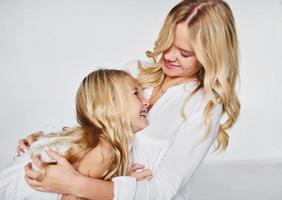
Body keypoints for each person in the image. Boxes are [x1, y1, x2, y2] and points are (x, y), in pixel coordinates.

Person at [22, 0, 240, 199]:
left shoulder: (203, 106)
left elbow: (161, 191)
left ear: (210, 56)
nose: (170, 56)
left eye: (184, 53)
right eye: (168, 43)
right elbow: (98, 130)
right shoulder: (133, 72)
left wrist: (75, 184)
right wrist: (52, 142)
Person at [0, 69, 150, 200]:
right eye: (136, 94)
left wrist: (119, 182)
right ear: (112, 104)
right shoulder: (103, 149)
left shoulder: (93, 141)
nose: (147, 101)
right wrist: (123, 188)